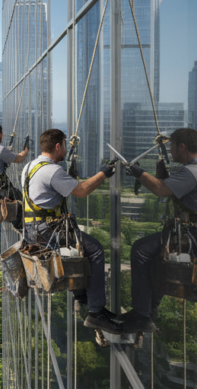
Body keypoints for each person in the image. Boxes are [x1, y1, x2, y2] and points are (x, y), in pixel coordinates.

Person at [122, 128, 197, 333]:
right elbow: (177, 191)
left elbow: (160, 189)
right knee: (155, 256)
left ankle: (142, 314)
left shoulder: (192, 172)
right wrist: (165, 178)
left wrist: (138, 172)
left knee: (141, 250)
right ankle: (148, 312)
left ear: (182, 147)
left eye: (172, 146)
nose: (170, 150)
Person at [22, 128, 123, 334]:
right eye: (64, 145)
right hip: (47, 230)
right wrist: (103, 173)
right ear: (57, 146)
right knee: (94, 250)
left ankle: (82, 297)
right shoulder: (52, 171)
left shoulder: (29, 166)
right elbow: (82, 190)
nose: (66, 149)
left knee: (79, 249)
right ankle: (95, 312)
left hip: (32, 230)